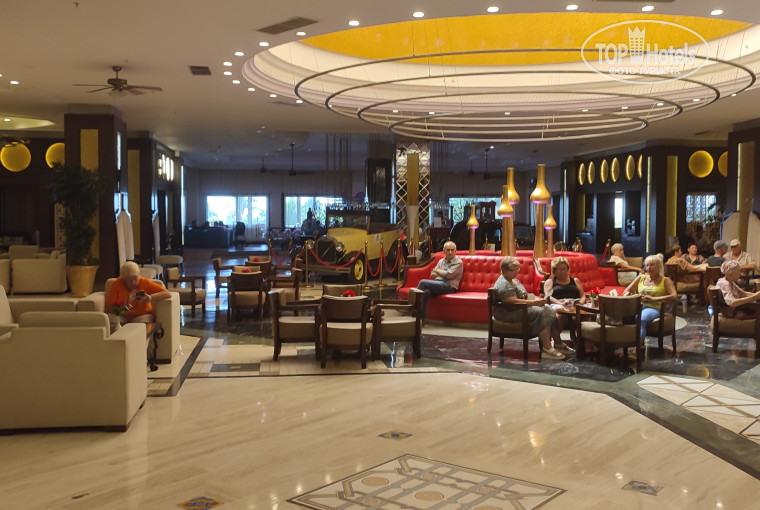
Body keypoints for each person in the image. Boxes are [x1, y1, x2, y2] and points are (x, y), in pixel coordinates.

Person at [493, 256, 571, 359]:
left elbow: (523, 296)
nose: (516, 272)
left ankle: (558, 343)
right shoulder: (504, 283)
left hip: (519, 308)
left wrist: (538, 300)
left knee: (548, 308)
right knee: (542, 312)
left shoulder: (513, 280)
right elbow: (511, 301)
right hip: (508, 312)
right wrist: (534, 303)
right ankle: (547, 348)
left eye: (517, 269)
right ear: (504, 270)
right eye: (513, 270)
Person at [624, 255, 678, 340]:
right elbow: (626, 292)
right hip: (638, 306)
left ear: (659, 266)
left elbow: (674, 296)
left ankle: (636, 346)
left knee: (641, 319)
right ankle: (625, 343)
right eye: (647, 265)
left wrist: (653, 299)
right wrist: (636, 297)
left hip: (654, 308)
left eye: (652, 265)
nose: (649, 268)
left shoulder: (666, 280)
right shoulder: (641, 278)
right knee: (624, 316)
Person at [106, 261, 171, 323]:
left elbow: (167, 294)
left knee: (144, 320)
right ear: (124, 279)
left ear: (139, 276)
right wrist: (125, 304)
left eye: (135, 278)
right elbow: (109, 308)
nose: (133, 283)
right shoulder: (117, 284)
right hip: (123, 315)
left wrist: (149, 298)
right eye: (129, 280)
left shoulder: (144, 282)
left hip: (142, 315)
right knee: (112, 318)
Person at [416, 241, 463, 322]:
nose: (450, 252)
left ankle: (412, 306)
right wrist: (440, 272)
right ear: (444, 251)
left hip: (449, 286)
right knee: (426, 292)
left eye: (452, 250)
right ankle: (420, 320)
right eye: (448, 250)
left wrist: (438, 271)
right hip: (438, 284)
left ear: (455, 251)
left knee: (423, 282)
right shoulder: (441, 261)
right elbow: (432, 274)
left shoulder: (458, 262)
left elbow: (448, 275)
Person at [544, 256, 586, 333]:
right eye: (559, 269)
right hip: (558, 303)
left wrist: (580, 303)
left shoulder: (575, 281)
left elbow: (583, 296)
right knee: (560, 314)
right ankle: (557, 338)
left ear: (568, 269)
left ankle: (581, 337)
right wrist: (561, 303)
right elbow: (548, 296)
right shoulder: (550, 282)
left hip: (575, 303)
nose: (562, 272)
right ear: (554, 271)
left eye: (564, 269)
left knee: (586, 313)